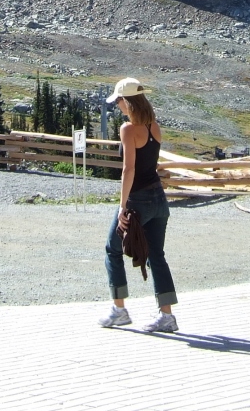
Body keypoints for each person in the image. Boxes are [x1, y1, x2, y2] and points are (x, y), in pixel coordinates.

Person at [98, 77, 178, 333]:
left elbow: (128, 169)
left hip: (137, 200)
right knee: (157, 255)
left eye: (119, 100)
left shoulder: (128, 129)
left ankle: (119, 310)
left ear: (127, 101)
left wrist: (123, 206)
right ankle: (167, 315)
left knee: (112, 249)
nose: (117, 105)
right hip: (158, 199)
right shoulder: (154, 127)